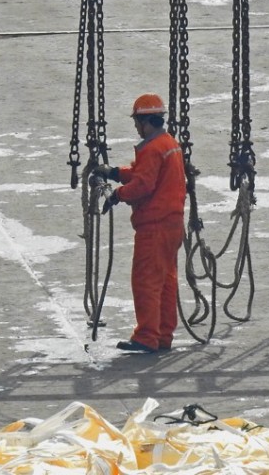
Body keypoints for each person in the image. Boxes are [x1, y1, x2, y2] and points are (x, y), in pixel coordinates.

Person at [93, 93, 186, 354]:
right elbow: (142, 173)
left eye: (136, 122)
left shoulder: (153, 148)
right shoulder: (169, 144)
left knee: (146, 280)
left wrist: (117, 195)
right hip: (173, 224)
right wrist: (114, 173)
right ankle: (163, 335)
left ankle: (146, 337)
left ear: (145, 122)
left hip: (154, 226)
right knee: (166, 280)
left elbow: (143, 185)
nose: (135, 126)